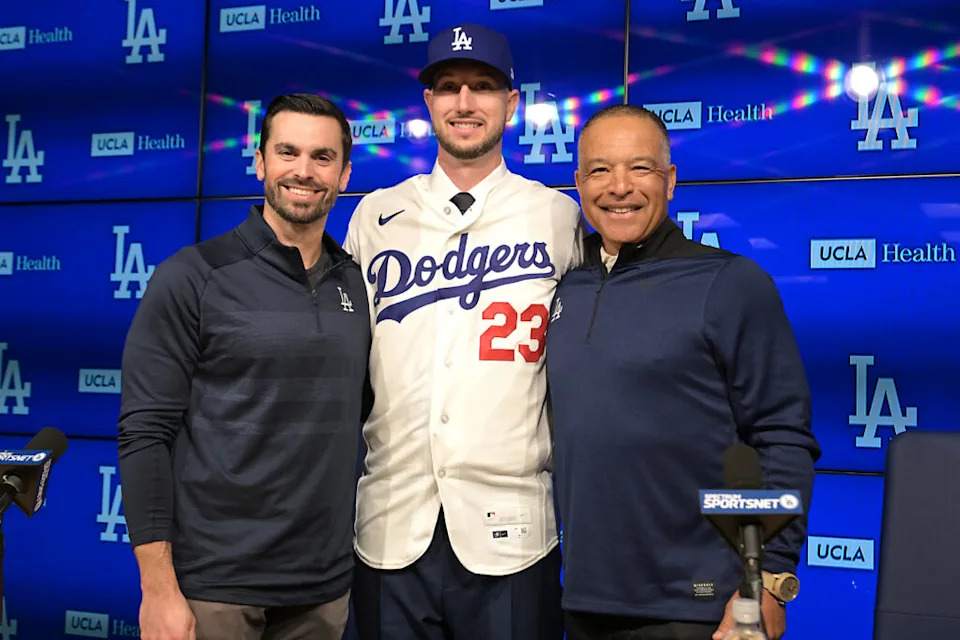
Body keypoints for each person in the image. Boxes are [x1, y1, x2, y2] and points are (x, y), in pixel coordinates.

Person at [545, 104, 821, 640]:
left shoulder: (729, 283)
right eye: (600, 170)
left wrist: (767, 579)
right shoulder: (567, 288)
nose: (618, 187)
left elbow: (782, 437)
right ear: (579, 184)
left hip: (700, 606)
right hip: (582, 599)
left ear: (670, 181)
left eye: (640, 168)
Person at [343, 22, 582, 640]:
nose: (465, 102)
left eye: (483, 86)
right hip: (392, 526)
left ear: (512, 103)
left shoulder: (557, 216)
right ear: (428, 104)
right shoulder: (376, 215)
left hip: (514, 531)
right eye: (448, 87)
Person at [117, 93, 370, 640]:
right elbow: (145, 435)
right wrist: (158, 588)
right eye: (287, 152)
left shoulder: (355, 280)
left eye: (323, 157)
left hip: (323, 588)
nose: (303, 171)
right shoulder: (192, 276)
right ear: (259, 163)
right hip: (215, 587)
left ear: (345, 174)